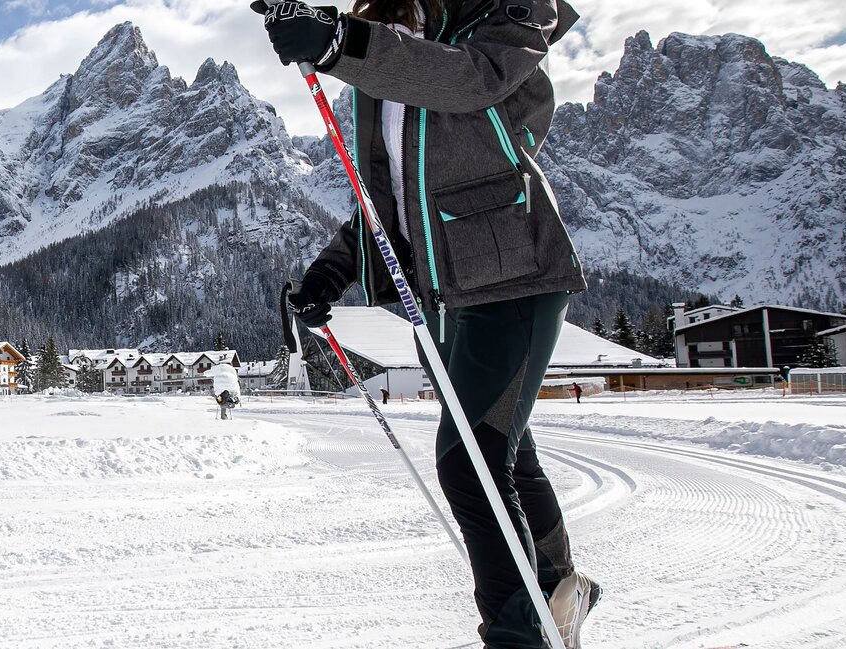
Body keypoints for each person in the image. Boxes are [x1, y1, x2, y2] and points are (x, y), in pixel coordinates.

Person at [257, 0, 600, 646]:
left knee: (470, 461)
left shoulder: (507, 16)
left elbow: (468, 80)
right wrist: (329, 273)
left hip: (514, 274)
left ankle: (518, 636)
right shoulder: (392, 39)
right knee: (503, 449)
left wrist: (342, 45)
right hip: (440, 297)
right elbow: (387, 198)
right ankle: (558, 589)